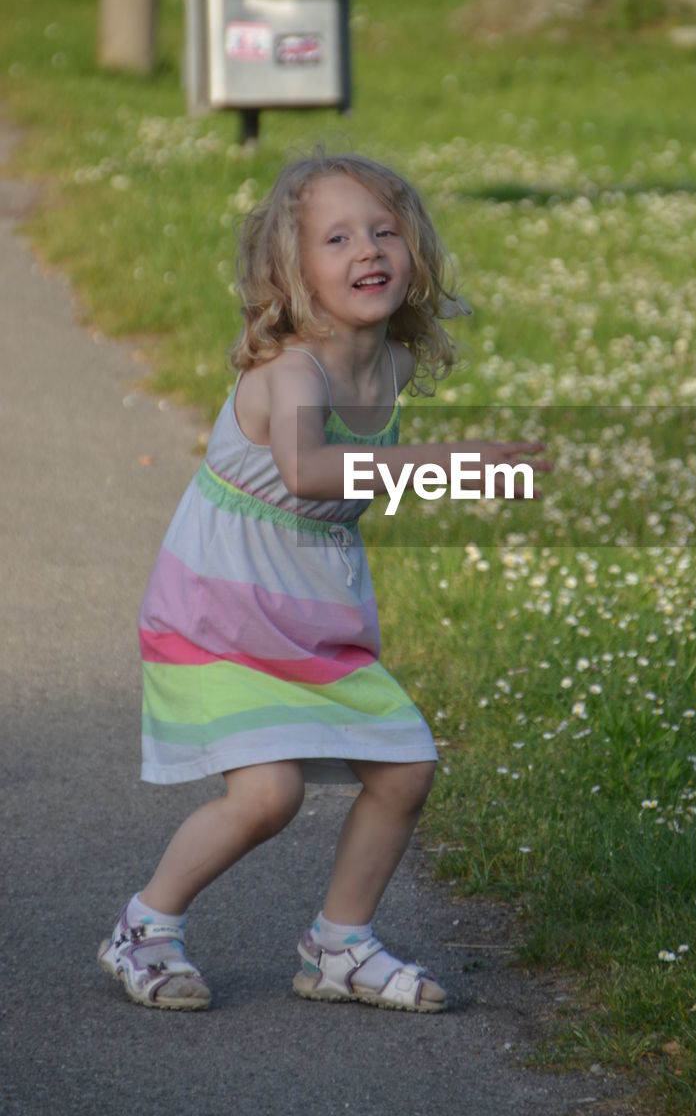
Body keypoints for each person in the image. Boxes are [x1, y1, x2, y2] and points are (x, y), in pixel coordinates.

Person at [97, 151, 544, 1014]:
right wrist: (446, 464)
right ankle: (143, 928)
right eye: (336, 237)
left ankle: (339, 946)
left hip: (310, 613)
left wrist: (479, 477)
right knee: (268, 795)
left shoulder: (392, 369)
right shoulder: (293, 368)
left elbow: (356, 483)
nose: (367, 250)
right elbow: (306, 470)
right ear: (291, 272)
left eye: (384, 231)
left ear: (413, 250)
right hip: (219, 610)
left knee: (407, 766)